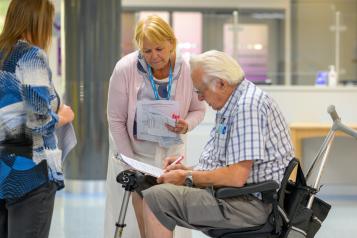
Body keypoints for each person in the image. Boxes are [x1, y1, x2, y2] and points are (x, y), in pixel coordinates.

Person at [136, 50, 295, 238]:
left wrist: (187, 177)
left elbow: (236, 176)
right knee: (145, 187)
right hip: (238, 195)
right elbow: (224, 165)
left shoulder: (247, 107)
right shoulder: (232, 102)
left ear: (221, 83)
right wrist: (187, 170)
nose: (200, 98)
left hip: (251, 205)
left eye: (200, 91)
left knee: (156, 198)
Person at [105, 15, 206, 238]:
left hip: (171, 158)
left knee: (170, 222)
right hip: (135, 156)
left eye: (159, 49)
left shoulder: (188, 69)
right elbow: (116, 119)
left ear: (172, 43)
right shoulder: (125, 69)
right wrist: (130, 162)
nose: (154, 57)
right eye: (147, 51)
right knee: (138, 222)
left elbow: (199, 109)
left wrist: (186, 124)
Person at [0, 0, 75, 237]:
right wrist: (64, 116)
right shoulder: (31, 56)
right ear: (38, 21)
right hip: (30, 171)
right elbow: (39, 120)